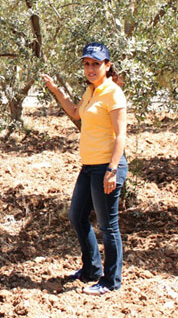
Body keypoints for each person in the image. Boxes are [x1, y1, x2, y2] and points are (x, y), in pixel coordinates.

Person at [41, 42, 127, 295]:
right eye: (87, 64)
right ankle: (91, 270)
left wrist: (112, 170)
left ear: (107, 66)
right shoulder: (92, 90)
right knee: (77, 216)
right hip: (89, 167)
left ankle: (111, 282)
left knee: (108, 226)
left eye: (96, 64)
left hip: (106, 167)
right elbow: (76, 113)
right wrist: (56, 90)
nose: (90, 69)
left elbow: (121, 136)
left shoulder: (112, 93)